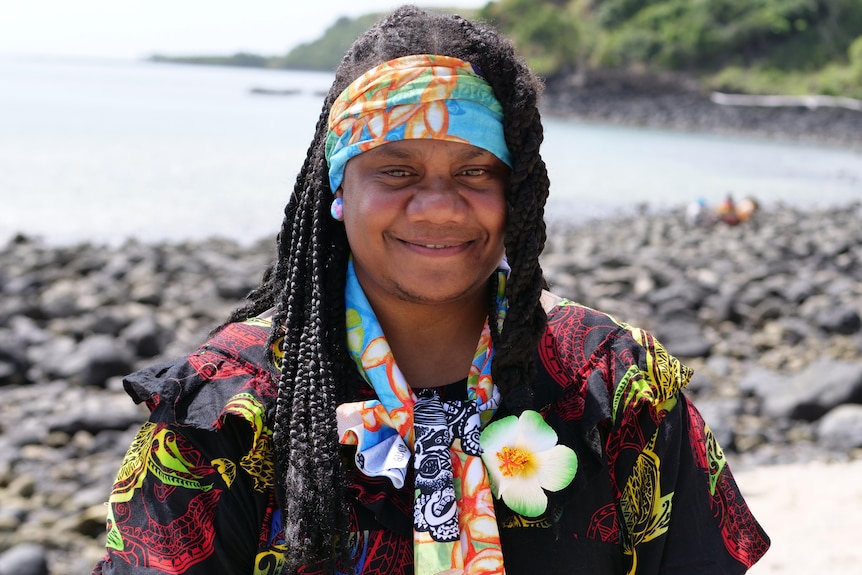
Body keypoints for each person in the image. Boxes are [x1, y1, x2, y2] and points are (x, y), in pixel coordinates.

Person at [91, 5, 770, 575]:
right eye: (397, 170)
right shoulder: (229, 413)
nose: (439, 206)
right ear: (337, 189)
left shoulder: (616, 385)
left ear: (517, 193)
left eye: (476, 170)